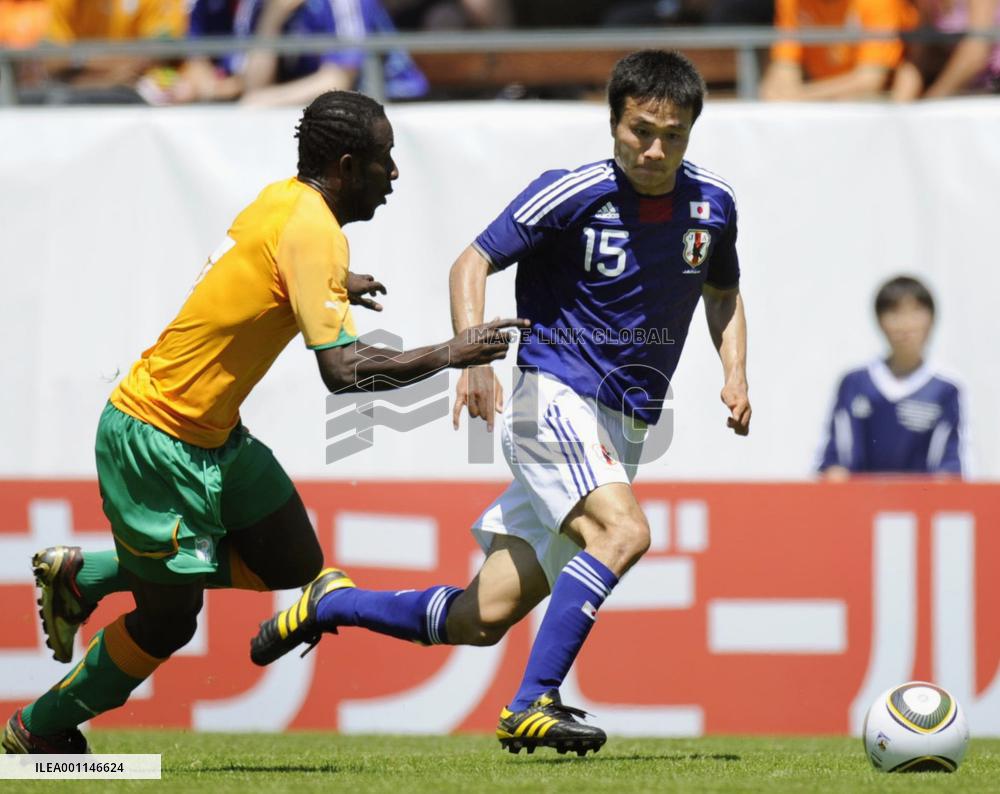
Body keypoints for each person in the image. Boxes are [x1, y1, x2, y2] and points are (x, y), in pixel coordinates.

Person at [250, 50, 751, 756]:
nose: (655, 149)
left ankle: (331, 601)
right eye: (641, 130)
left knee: (479, 617)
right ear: (613, 123)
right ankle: (531, 703)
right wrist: (473, 357)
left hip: (622, 429)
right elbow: (472, 261)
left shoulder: (713, 204)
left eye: (673, 135)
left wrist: (735, 374)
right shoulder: (570, 193)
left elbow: (722, 293)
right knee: (623, 535)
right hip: (552, 397)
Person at [2, 90, 524, 754]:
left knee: (294, 560)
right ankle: (36, 731)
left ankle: (89, 574)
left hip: (212, 437)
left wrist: (335, 282)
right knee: (169, 623)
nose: (394, 175)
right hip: (155, 440)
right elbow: (344, 374)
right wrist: (450, 354)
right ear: (344, 165)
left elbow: (259, 264)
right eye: (383, 161)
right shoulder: (313, 230)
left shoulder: (286, 201)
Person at [818, 276, 965, 478]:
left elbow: (953, 464)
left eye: (915, 312)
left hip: (921, 506)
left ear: (931, 319)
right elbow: (834, 458)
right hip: (859, 503)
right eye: (895, 313)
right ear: (879, 320)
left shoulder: (947, 388)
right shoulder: (855, 382)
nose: (906, 325)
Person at [759, 0, 916, 100]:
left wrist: (801, 96)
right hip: (818, 97)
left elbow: (870, 81)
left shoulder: (879, 3)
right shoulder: (793, 3)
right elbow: (784, 65)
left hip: (877, 102)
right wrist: (779, 92)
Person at [891, 0, 1000, 100]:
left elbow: (976, 55)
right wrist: (899, 106)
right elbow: (918, 58)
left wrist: (932, 100)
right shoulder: (927, 3)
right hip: (965, 95)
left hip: (992, 91)